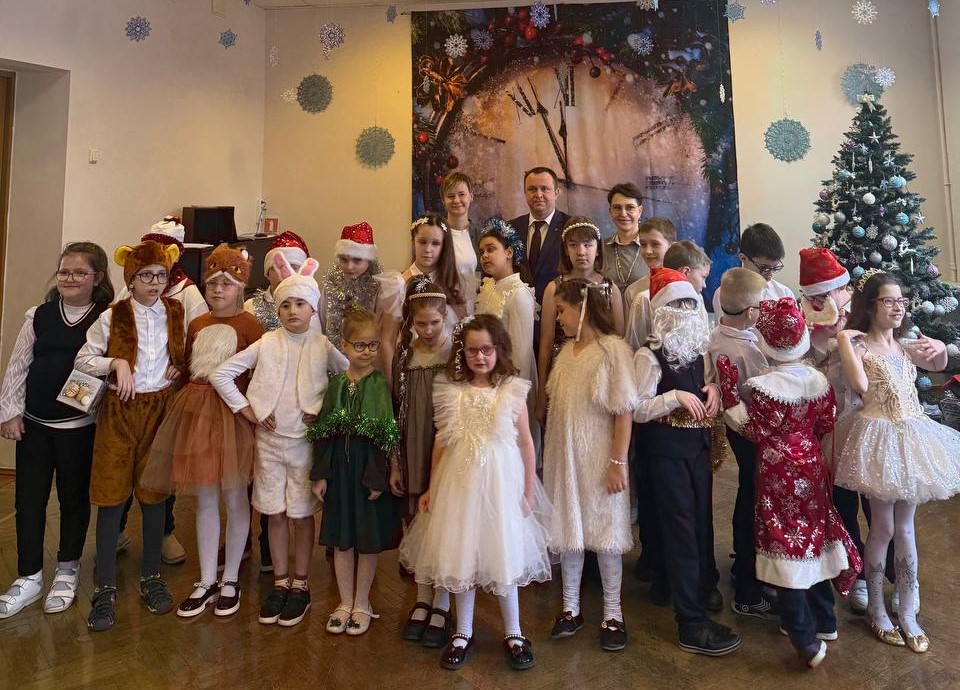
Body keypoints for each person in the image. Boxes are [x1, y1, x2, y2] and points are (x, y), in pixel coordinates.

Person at [399, 314, 552, 671]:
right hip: (459, 486)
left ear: (499, 349)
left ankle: (514, 632)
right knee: (462, 556)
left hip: (502, 486)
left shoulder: (511, 390)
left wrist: (528, 491)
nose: (479, 357)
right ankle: (462, 632)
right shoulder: (452, 391)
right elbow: (441, 443)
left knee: (503, 555)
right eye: (472, 351)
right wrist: (431, 487)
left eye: (486, 349)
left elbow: (526, 444)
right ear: (462, 353)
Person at [721, 297, 862, 669]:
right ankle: (825, 620)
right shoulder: (818, 381)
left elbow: (753, 430)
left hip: (777, 470)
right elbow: (826, 422)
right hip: (812, 465)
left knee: (784, 541)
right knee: (814, 535)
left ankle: (803, 637)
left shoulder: (762, 387)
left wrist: (730, 398)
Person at [211, 255, 348, 628]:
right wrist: (248, 410)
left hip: (304, 445)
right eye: (286, 304)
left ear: (312, 308)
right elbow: (222, 374)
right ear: (277, 308)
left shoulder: (322, 345)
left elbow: (350, 377)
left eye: (300, 304)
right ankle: (281, 581)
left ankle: (301, 584)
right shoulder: (266, 342)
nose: (292, 311)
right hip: (269, 444)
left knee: (301, 516)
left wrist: (324, 412)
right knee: (274, 514)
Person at [833, 270, 960, 653]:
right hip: (879, 439)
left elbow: (937, 365)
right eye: (889, 301)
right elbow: (860, 386)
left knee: (906, 529)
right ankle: (876, 608)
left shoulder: (905, 346)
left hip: (913, 436)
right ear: (871, 305)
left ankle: (907, 610)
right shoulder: (861, 347)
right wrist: (844, 339)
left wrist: (939, 348)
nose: (898, 308)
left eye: (901, 301)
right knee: (883, 527)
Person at [140, 244, 263, 618]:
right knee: (206, 497)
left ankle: (231, 577)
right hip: (196, 414)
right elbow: (188, 362)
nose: (218, 290)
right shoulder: (197, 324)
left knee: (235, 497)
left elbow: (259, 373)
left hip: (233, 417)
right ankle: (207, 578)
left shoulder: (251, 326)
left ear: (240, 287)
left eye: (226, 284)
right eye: (212, 284)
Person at [75, 240, 187, 632]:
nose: (154, 283)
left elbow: (182, 354)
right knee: (111, 496)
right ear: (131, 278)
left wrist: (179, 367)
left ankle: (151, 576)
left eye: (161, 275)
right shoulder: (113, 316)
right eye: (145, 276)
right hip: (120, 413)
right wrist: (116, 363)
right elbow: (84, 360)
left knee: (155, 494)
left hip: (159, 412)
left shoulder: (176, 311)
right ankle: (105, 585)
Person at [0, 243, 114, 619]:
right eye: (64, 271)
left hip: (79, 428)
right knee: (28, 501)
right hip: (34, 424)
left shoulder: (108, 316)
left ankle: (67, 569)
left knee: (73, 500)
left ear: (97, 278)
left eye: (79, 272)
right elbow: (18, 366)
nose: (69, 278)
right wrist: (10, 413)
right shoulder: (39, 315)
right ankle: (29, 576)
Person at [633, 267, 736, 657]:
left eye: (691, 304)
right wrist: (673, 397)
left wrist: (713, 390)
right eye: (676, 305)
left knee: (701, 525)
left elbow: (707, 383)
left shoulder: (698, 350)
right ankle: (691, 623)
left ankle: (700, 588)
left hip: (697, 449)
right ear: (661, 312)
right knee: (680, 531)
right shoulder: (647, 356)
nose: (686, 312)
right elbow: (637, 408)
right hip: (665, 453)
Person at [542, 279, 637, 652]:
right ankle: (570, 607)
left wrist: (617, 461)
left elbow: (624, 411)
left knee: (606, 531)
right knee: (570, 529)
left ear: (581, 309)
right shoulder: (566, 353)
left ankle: (613, 612)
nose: (558, 319)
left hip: (599, 458)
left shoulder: (612, 351)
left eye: (562, 311)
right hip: (566, 458)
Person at [798, 247, 888, 615]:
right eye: (814, 297)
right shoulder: (807, 327)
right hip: (831, 431)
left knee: (879, 502)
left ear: (842, 289)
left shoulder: (864, 319)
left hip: (872, 426)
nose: (820, 303)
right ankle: (859, 572)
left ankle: (892, 572)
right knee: (843, 503)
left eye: (827, 294)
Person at [114, 216, 206, 567]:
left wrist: (182, 367)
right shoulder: (129, 290)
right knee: (122, 464)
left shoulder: (187, 292)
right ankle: (117, 528)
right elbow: (112, 331)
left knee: (162, 463)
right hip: (127, 397)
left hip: (167, 395)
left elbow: (197, 338)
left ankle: (165, 531)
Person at [311, 307, 404, 637]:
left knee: (366, 540)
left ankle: (362, 602)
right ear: (345, 346)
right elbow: (324, 432)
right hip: (340, 472)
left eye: (373, 345)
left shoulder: (379, 385)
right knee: (342, 540)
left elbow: (386, 433)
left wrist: (381, 476)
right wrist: (320, 474)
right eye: (360, 345)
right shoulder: (336, 385)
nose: (367, 352)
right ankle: (345, 601)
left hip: (367, 474)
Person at [242, 231, 315, 575]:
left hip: (298, 425)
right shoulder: (254, 311)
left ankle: (296, 573)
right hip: (265, 416)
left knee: (299, 502)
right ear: (269, 271)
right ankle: (265, 553)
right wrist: (251, 407)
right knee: (267, 494)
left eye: (297, 266)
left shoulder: (311, 315)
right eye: (281, 266)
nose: (289, 272)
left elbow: (328, 366)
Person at [707, 267, 776, 619]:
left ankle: (744, 568)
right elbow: (763, 392)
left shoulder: (719, 336)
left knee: (748, 493)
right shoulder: (744, 352)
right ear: (750, 313)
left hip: (742, 429)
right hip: (752, 430)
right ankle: (749, 588)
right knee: (753, 499)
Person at [393, 278, 455, 648]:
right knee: (416, 518)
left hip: (444, 444)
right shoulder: (405, 353)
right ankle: (422, 596)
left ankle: (442, 601)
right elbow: (396, 408)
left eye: (435, 323)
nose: (428, 330)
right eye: (421, 324)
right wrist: (395, 462)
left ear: (445, 317)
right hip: (412, 445)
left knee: (443, 522)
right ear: (411, 321)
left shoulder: (454, 352)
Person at [536, 217, 624, 423]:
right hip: (563, 371)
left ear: (598, 249)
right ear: (566, 250)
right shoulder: (554, 288)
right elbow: (546, 343)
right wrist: (541, 393)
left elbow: (620, 340)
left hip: (599, 372)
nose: (581, 252)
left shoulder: (611, 289)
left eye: (587, 245)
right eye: (573, 245)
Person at [475, 219, 539, 454]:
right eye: (482, 251)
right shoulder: (488, 287)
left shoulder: (518, 293)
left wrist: (509, 398)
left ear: (509, 252)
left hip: (509, 385)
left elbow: (521, 355)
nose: (485, 255)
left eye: (491, 249)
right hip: (485, 379)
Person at [318, 222, 403, 382]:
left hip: (368, 366)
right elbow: (323, 322)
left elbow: (382, 333)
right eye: (344, 260)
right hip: (333, 365)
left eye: (357, 260)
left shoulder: (380, 287)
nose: (349, 266)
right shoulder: (330, 285)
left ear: (369, 260)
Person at [625, 238, 708, 351]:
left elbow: (703, 340)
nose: (704, 285)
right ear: (685, 272)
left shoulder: (698, 298)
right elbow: (635, 345)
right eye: (703, 277)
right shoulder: (644, 299)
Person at [507, 167, 570, 306]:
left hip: (558, 310)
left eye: (544, 189)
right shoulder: (509, 229)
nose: (538, 194)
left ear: (556, 193)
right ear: (525, 193)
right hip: (517, 309)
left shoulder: (570, 227)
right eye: (532, 189)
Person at [398, 212, 467, 329]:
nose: (428, 249)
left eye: (435, 243)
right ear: (413, 241)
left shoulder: (452, 285)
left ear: (444, 246)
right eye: (422, 242)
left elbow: (464, 327)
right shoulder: (399, 284)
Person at [712, 222, 793, 317]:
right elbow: (724, 326)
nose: (770, 276)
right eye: (764, 268)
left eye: (774, 268)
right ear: (743, 258)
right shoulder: (724, 294)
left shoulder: (784, 293)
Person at [622, 217, 677, 340]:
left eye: (655, 244)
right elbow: (631, 338)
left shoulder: (686, 286)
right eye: (643, 244)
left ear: (672, 247)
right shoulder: (633, 291)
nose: (647, 251)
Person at [441, 172, 481, 312]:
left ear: (471, 197)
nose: (456, 200)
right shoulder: (437, 235)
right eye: (451, 196)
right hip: (446, 310)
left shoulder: (482, 235)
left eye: (462, 194)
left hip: (476, 308)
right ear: (443, 200)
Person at [603, 182, 647, 298]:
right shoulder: (600, 248)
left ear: (640, 211)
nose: (623, 214)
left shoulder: (654, 247)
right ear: (610, 212)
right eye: (617, 208)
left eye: (630, 207)